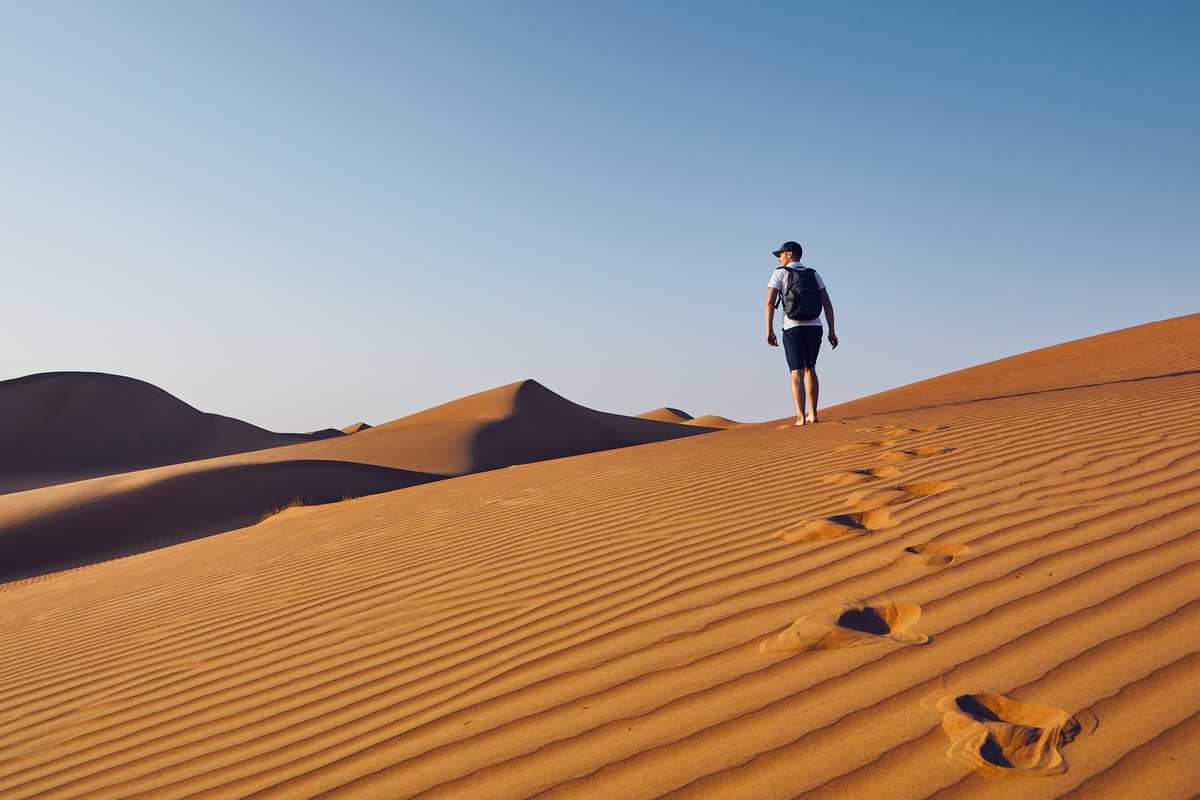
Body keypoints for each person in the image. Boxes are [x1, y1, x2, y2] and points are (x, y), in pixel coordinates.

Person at [765, 240, 838, 426]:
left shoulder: (779, 273)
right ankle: (813, 414)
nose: (779, 258)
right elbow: (827, 303)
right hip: (815, 327)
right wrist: (832, 330)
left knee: (796, 372)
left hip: (792, 327)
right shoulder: (813, 274)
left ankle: (800, 416)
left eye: (780, 254)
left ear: (789, 254)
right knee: (810, 368)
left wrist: (769, 330)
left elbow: (769, 303)